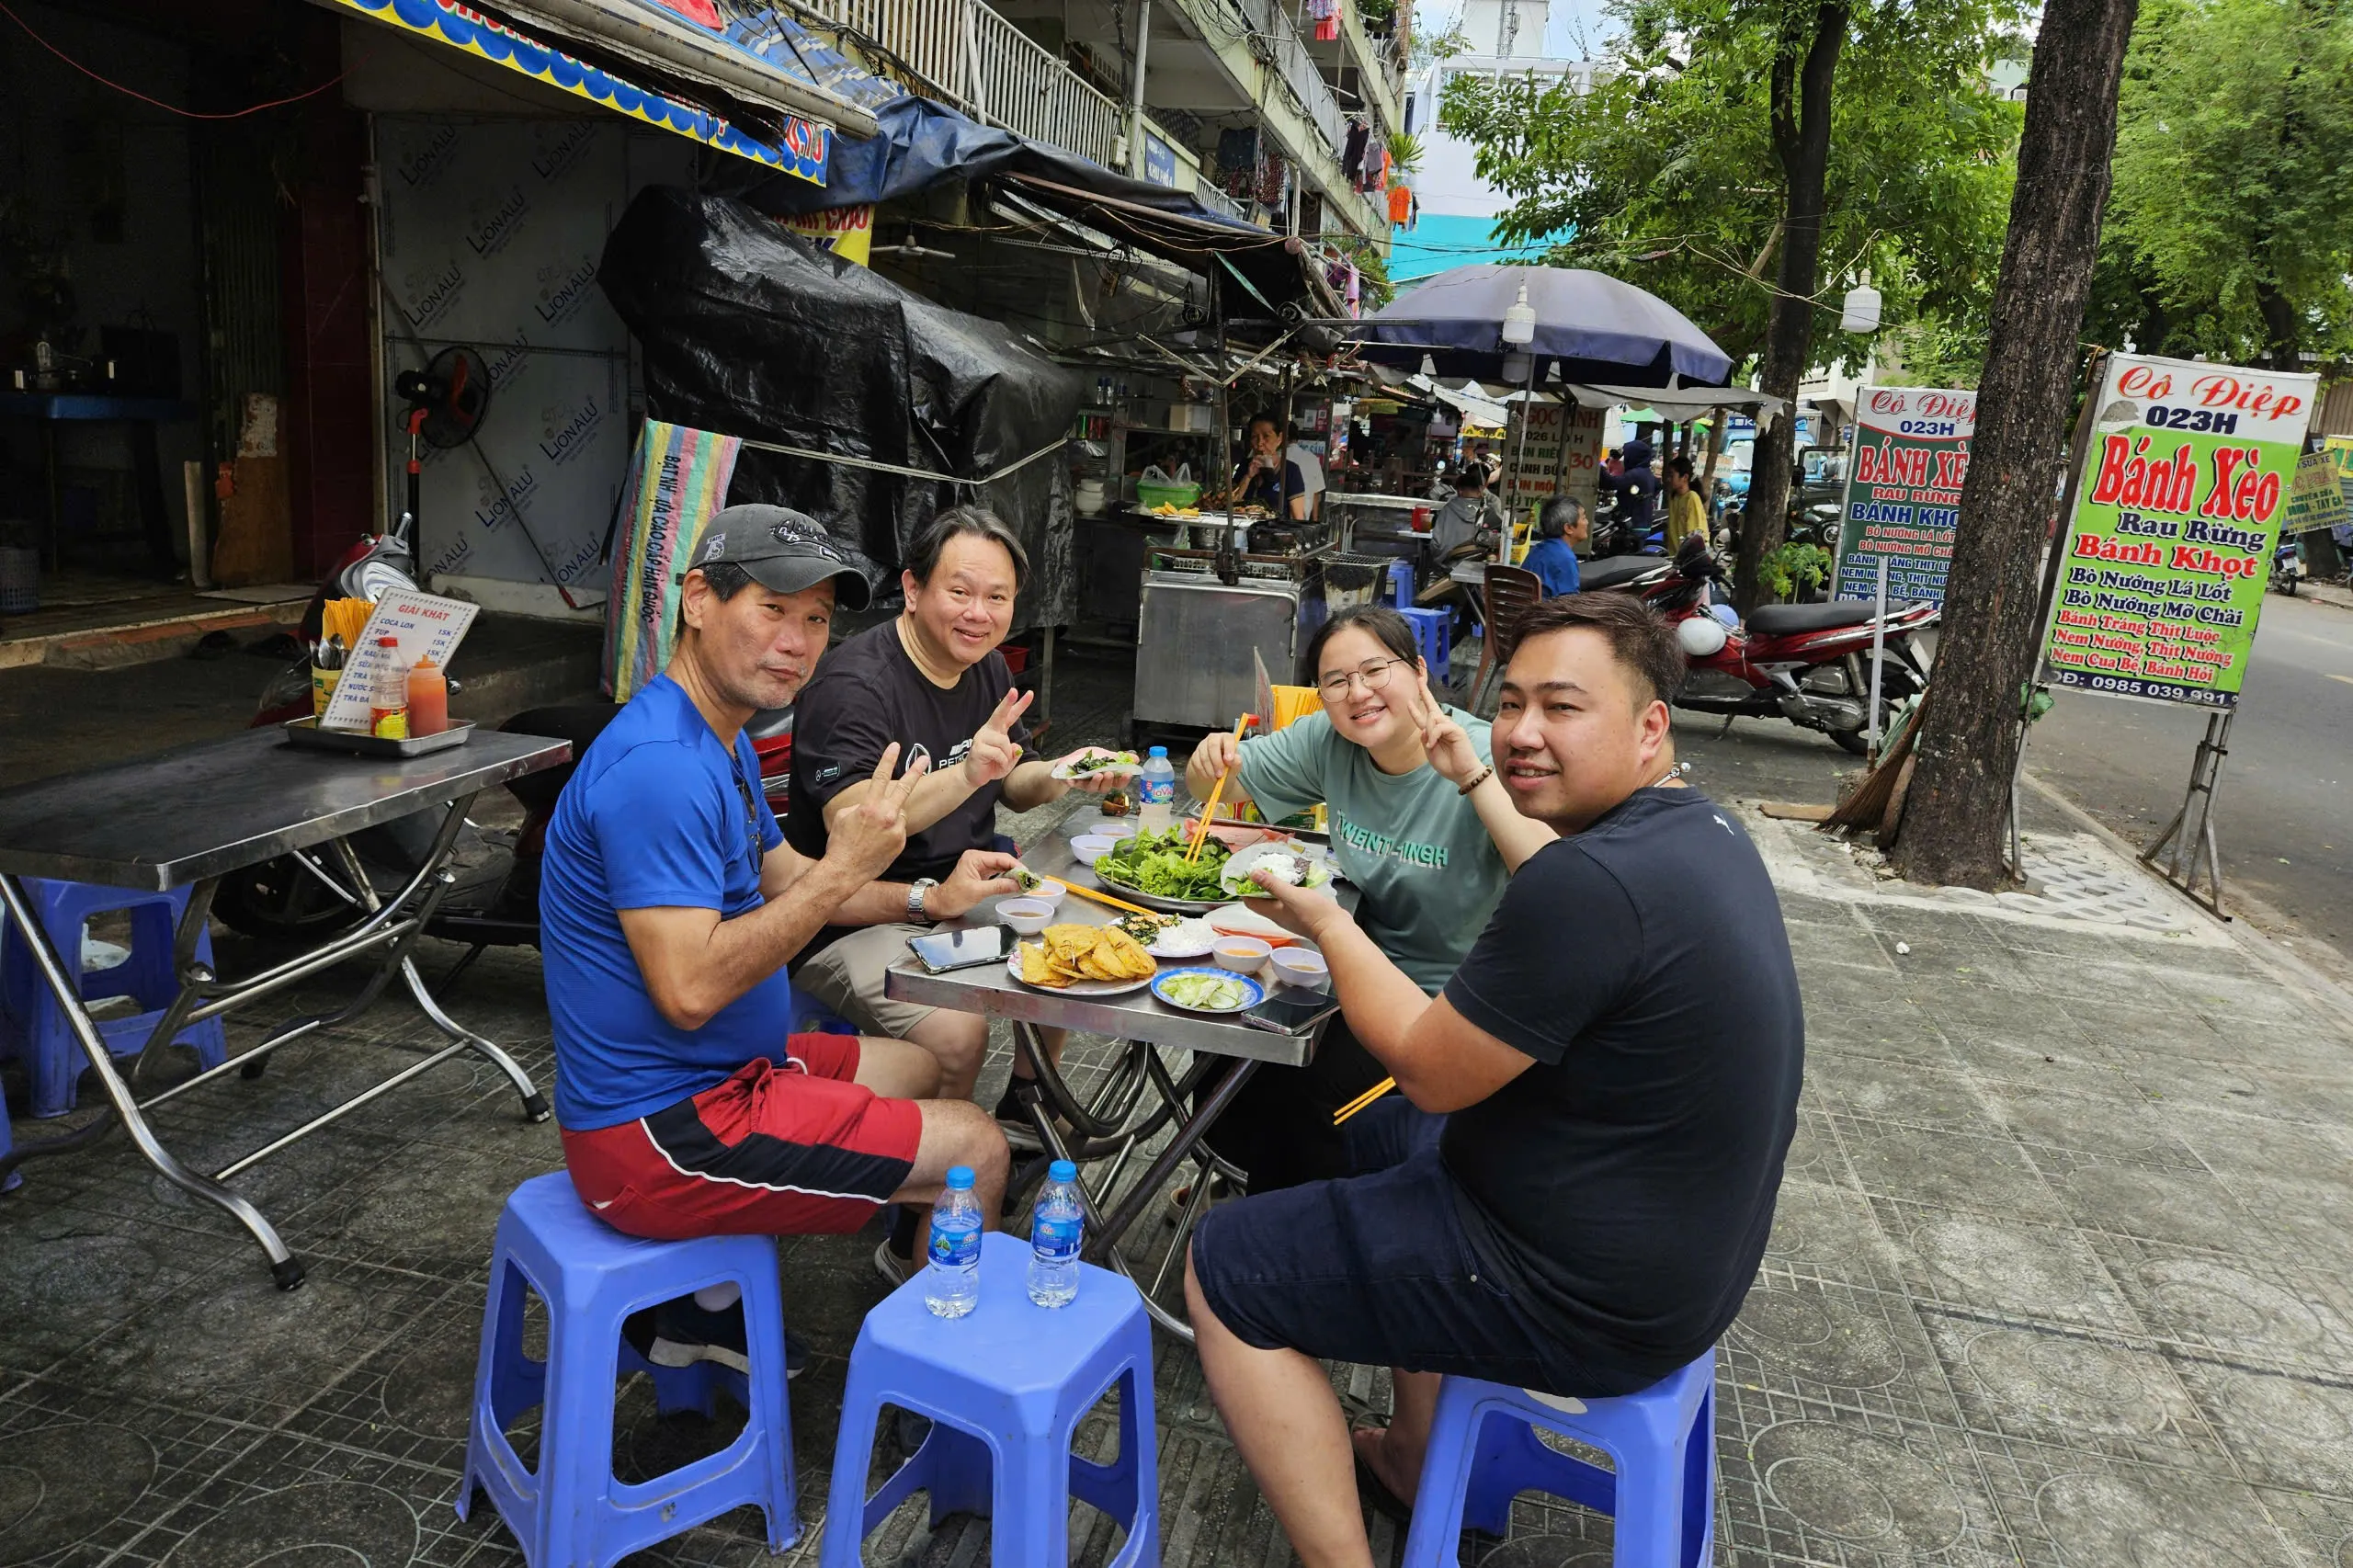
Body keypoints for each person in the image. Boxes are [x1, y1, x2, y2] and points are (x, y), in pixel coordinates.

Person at [1186, 592, 1804, 1568]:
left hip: (1580, 1289)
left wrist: (1330, 926)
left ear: (1650, 727)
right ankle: (1410, 1447)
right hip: (1681, 1260)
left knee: (1222, 1260)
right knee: (1374, 1141)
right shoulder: (1701, 830)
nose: (1522, 731)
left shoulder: (1587, 885)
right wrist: (1472, 773)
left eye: (1562, 707)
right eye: (1511, 701)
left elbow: (1429, 1069)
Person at [541, 506, 1014, 1373]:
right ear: (696, 600)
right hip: (661, 1128)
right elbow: (688, 991)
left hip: (722, 1074)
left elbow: (787, 879)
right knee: (976, 1149)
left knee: (916, 1066)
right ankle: (937, 1389)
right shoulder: (664, 769)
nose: (797, 641)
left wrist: (924, 896)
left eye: (816, 619)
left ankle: (712, 1303)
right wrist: (848, 865)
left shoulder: (713, 739)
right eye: (772, 608)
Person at [783, 506, 1120, 1273]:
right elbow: (850, 838)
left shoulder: (986, 669)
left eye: (997, 598)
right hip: (855, 915)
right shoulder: (854, 686)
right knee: (957, 1031)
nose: (979, 614)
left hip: (962, 893)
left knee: (1075, 932)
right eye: (960, 591)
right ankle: (917, 1236)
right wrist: (967, 773)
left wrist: (1065, 775)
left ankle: (1024, 1112)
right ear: (910, 587)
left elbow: (1010, 783)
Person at [1181, 606, 1554, 1193]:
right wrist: (1208, 766)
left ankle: (1290, 1231)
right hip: (1350, 978)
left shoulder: (1488, 750)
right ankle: (1253, 1203)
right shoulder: (1327, 740)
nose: (1358, 693)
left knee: (1305, 1089)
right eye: (1336, 681)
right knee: (1227, 1054)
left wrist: (1470, 777)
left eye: (1375, 670)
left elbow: (1553, 877)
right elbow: (1217, 788)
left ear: (1419, 671)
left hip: (1448, 1006)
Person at [1235, 415, 1310, 520]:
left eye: (1266, 436)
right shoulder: (1244, 466)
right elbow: (1231, 504)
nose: (1260, 443)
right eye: (1254, 437)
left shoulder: (1290, 470)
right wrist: (1248, 477)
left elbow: (1298, 517)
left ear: (1279, 438)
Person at [1427, 466, 1503, 564]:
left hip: (1447, 562)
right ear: (1481, 489)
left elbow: (1436, 543)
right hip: (1477, 563)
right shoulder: (1490, 509)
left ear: (1460, 490)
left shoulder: (1449, 508)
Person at [1521, 495, 1586, 597]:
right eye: (1583, 518)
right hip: (1542, 612)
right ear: (1568, 528)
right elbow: (1569, 605)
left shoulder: (1537, 549)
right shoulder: (1565, 558)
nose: (1587, 522)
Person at [1599, 435, 1660, 541]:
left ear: (1634, 455)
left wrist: (1598, 468)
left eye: (1627, 455)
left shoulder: (1636, 474)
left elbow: (1613, 483)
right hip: (1644, 521)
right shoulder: (1647, 472)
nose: (1624, 458)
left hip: (1634, 522)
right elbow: (1657, 486)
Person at [1664, 454, 1707, 554]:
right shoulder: (1673, 497)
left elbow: (1695, 534)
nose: (1668, 479)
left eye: (1672, 475)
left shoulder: (1692, 498)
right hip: (1676, 557)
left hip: (1690, 557)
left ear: (1685, 477)